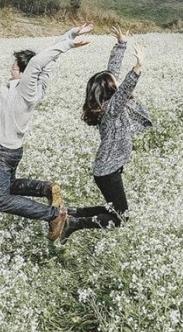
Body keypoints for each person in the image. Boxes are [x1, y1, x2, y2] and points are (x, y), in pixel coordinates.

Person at [0, 23, 93, 240]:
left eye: (14, 68)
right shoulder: (34, 87)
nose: (10, 70)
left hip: (1, 152)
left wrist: (69, 44)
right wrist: (70, 34)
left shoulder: (24, 90)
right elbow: (47, 63)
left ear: (25, 74)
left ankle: (54, 215)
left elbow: (36, 63)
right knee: (10, 186)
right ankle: (46, 189)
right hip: (11, 151)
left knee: (2, 200)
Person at [60, 27, 152, 241]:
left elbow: (112, 73)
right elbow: (125, 88)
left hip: (107, 169)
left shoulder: (106, 105)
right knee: (121, 217)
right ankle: (74, 223)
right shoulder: (111, 109)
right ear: (111, 89)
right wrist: (138, 67)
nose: (117, 82)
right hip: (108, 171)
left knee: (113, 209)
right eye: (115, 83)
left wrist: (121, 44)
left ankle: (72, 213)